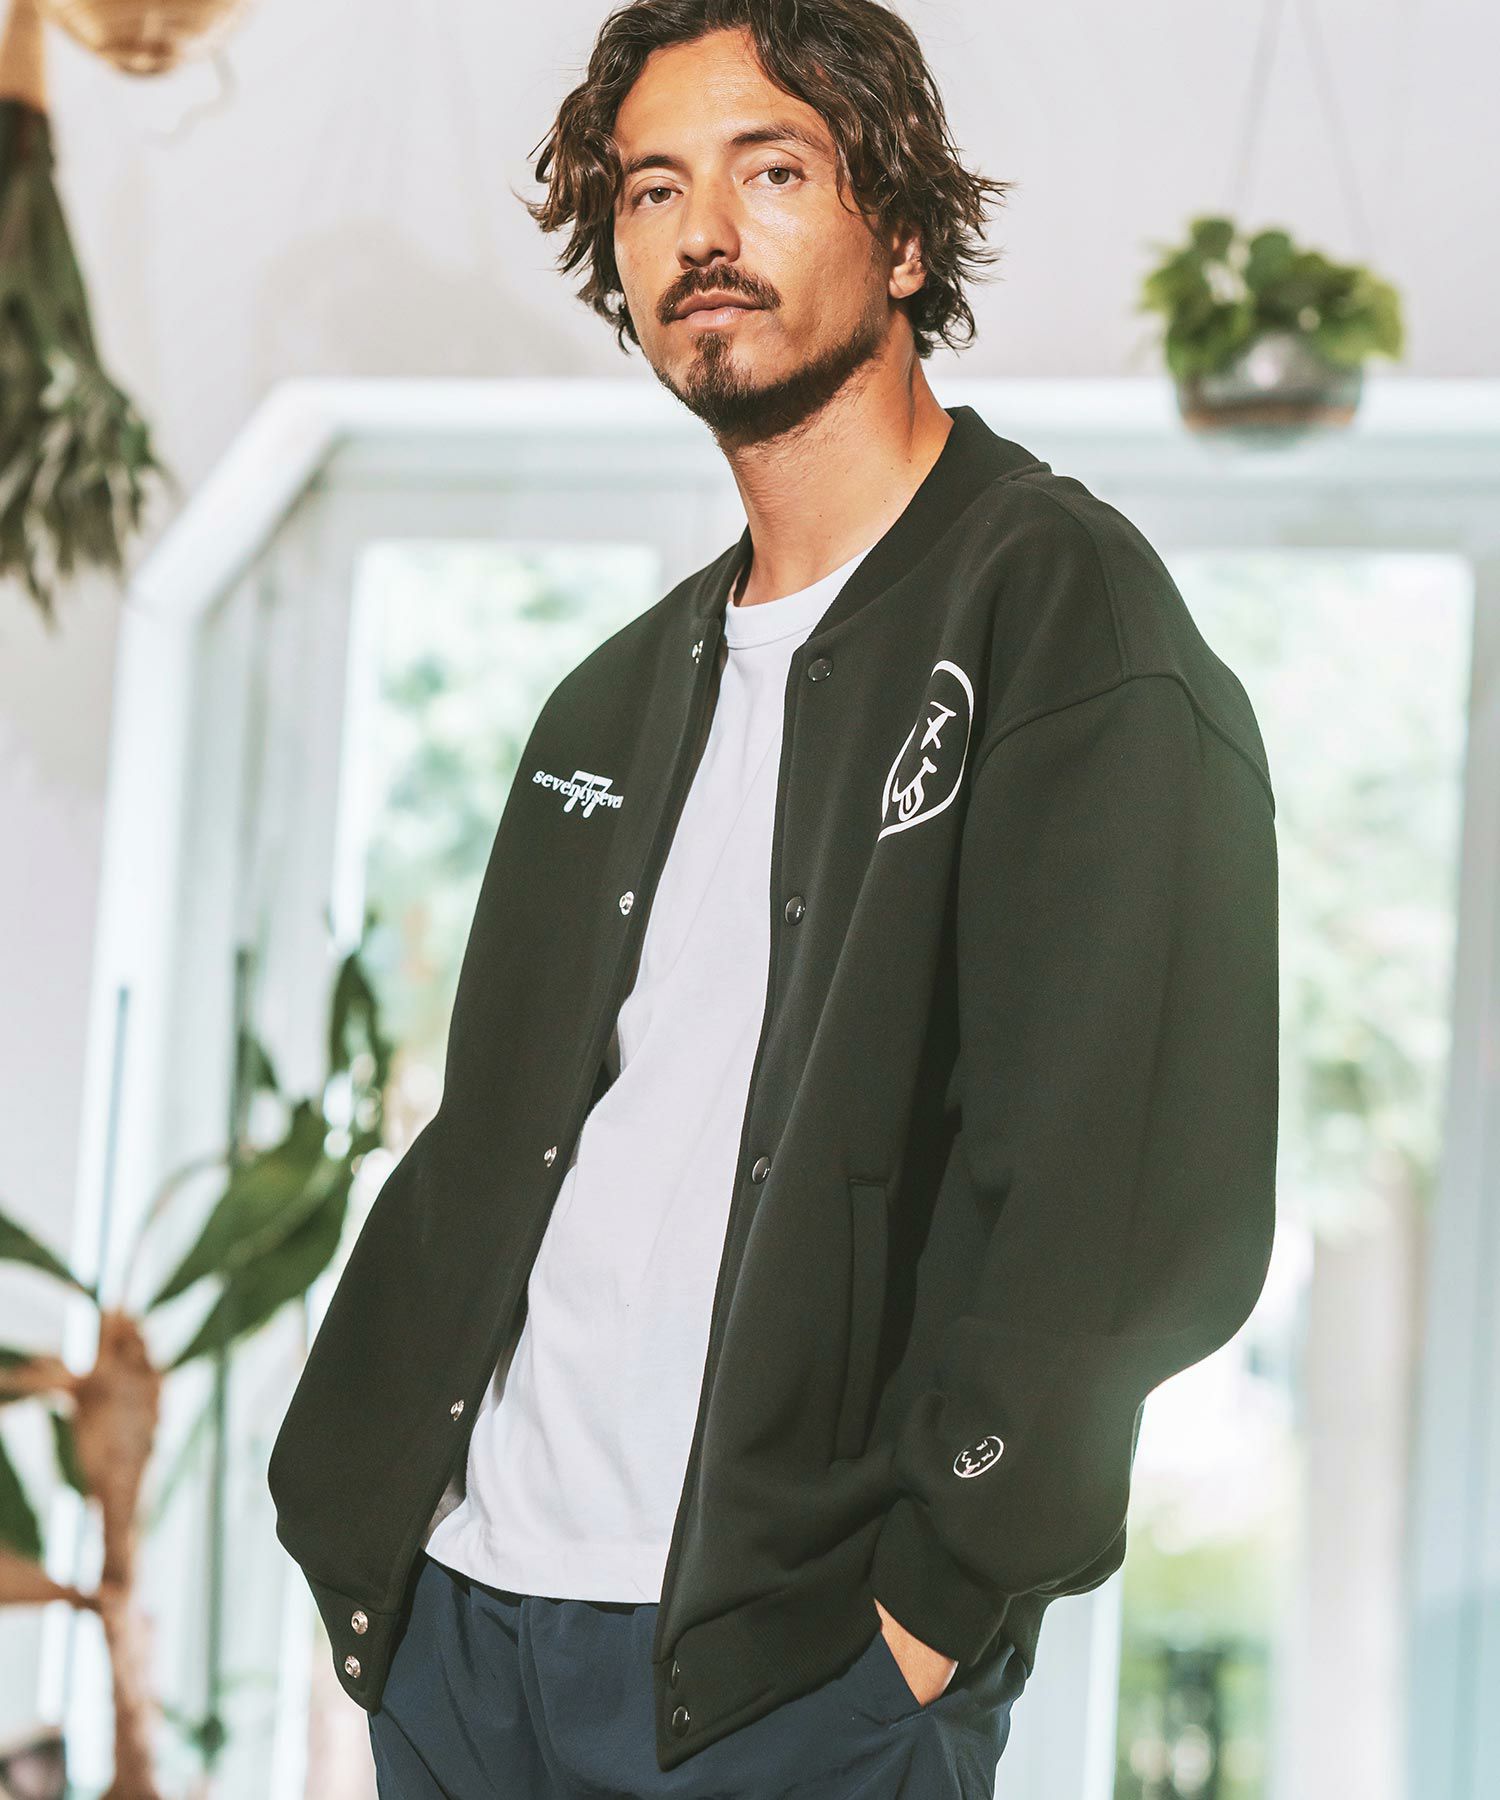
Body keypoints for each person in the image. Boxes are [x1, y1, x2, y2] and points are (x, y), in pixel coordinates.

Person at [266, 2, 1281, 1795]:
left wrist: (938, 1597)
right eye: (653, 190)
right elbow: (501, 1131)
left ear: (905, 238)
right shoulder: (608, 698)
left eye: (774, 170)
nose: (703, 233)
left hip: (791, 1675)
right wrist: (374, 1524)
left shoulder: (1061, 614)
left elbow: (1128, 1188)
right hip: (463, 1625)